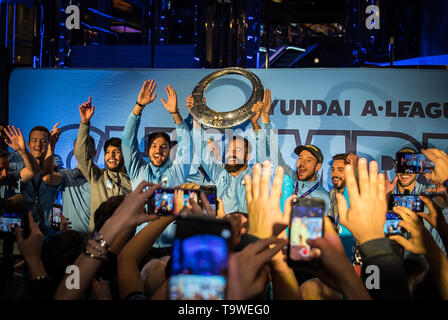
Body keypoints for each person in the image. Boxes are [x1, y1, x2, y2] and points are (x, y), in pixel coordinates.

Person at [122, 80, 193, 247]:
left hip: (170, 248)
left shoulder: (177, 173)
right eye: (154, 146)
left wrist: (175, 113)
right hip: (140, 247)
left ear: (169, 151)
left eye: (163, 147)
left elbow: (187, 147)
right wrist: (139, 106)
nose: (158, 150)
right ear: (147, 151)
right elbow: (127, 141)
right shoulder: (137, 170)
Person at [251, 89, 331, 214]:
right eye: (300, 158)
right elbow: (272, 152)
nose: (301, 164)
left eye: (308, 160)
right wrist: (265, 118)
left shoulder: (323, 198)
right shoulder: (287, 176)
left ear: (318, 166)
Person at [74, 96, 132, 232]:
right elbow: (81, 154)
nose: (111, 156)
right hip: (98, 240)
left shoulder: (134, 180)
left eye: (116, 152)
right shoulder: (97, 176)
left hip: (125, 238)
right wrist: (85, 123)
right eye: (107, 152)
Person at [42, 137, 95, 234]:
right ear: (74, 152)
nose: (84, 150)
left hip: (95, 242)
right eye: (80, 147)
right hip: (71, 242)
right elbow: (47, 178)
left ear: (95, 152)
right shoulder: (66, 175)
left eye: (88, 147)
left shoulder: (102, 178)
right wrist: (51, 146)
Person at [328, 153, 358, 222]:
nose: (334, 174)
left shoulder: (359, 195)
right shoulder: (331, 195)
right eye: (333, 170)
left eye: (340, 170)